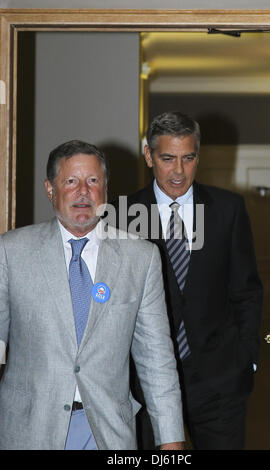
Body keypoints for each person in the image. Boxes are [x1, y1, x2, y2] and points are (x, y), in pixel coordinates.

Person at [0, 139, 184, 450]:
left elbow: (157, 361)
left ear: (106, 189)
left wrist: (172, 441)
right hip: (29, 430)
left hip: (108, 432)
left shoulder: (141, 258)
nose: (83, 191)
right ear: (50, 189)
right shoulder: (11, 251)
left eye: (93, 180)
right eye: (70, 181)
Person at [113, 111, 263, 450]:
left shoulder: (228, 209)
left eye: (188, 158)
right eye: (167, 158)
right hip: (145, 382)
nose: (178, 171)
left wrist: (246, 359)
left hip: (219, 383)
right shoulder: (121, 216)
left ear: (198, 155)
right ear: (149, 156)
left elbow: (247, 290)